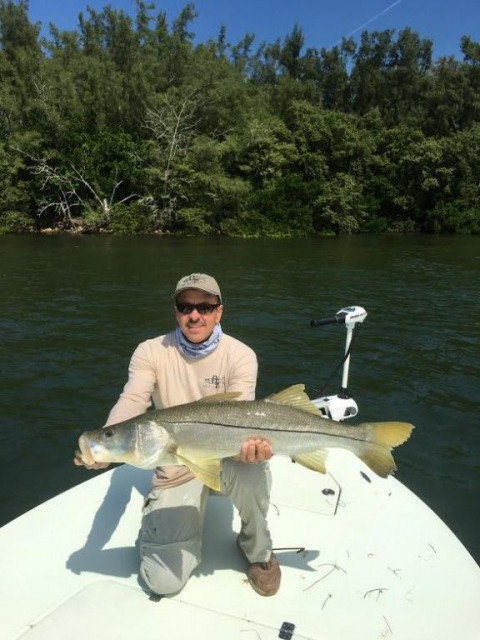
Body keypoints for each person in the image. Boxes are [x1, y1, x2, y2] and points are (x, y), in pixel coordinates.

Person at [74, 273, 281, 597]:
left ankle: (259, 552)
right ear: (176, 311)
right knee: (162, 581)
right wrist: (106, 444)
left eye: (204, 306)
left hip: (226, 458)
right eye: (185, 306)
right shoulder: (150, 351)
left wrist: (250, 450)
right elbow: (132, 400)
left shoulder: (241, 355)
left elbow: (239, 416)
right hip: (175, 469)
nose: (194, 315)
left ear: (218, 311)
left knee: (252, 471)